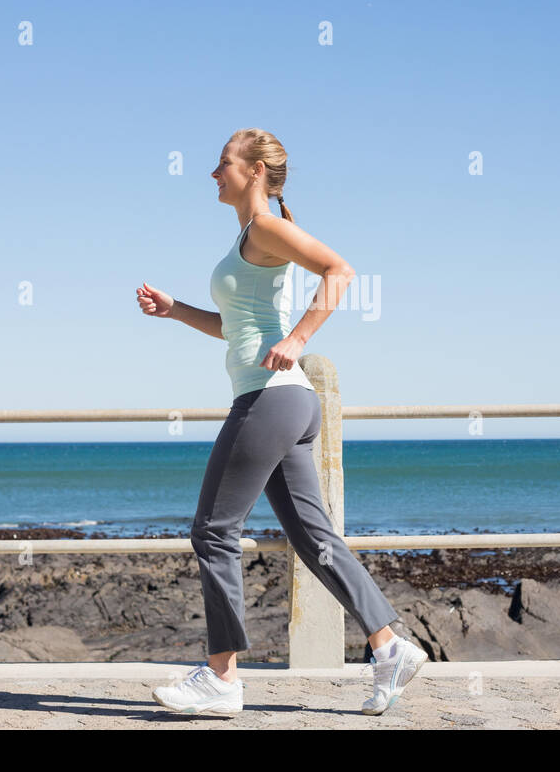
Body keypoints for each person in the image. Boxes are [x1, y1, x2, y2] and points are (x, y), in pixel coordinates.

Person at [136, 127, 426, 716]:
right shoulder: (249, 236)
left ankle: (221, 680)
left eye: (222, 164)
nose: (213, 174)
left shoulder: (266, 226)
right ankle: (389, 646)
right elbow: (235, 326)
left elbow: (340, 270)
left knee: (213, 530)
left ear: (254, 172)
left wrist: (297, 339)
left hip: (270, 398)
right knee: (312, 537)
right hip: (285, 401)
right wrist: (175, 312)